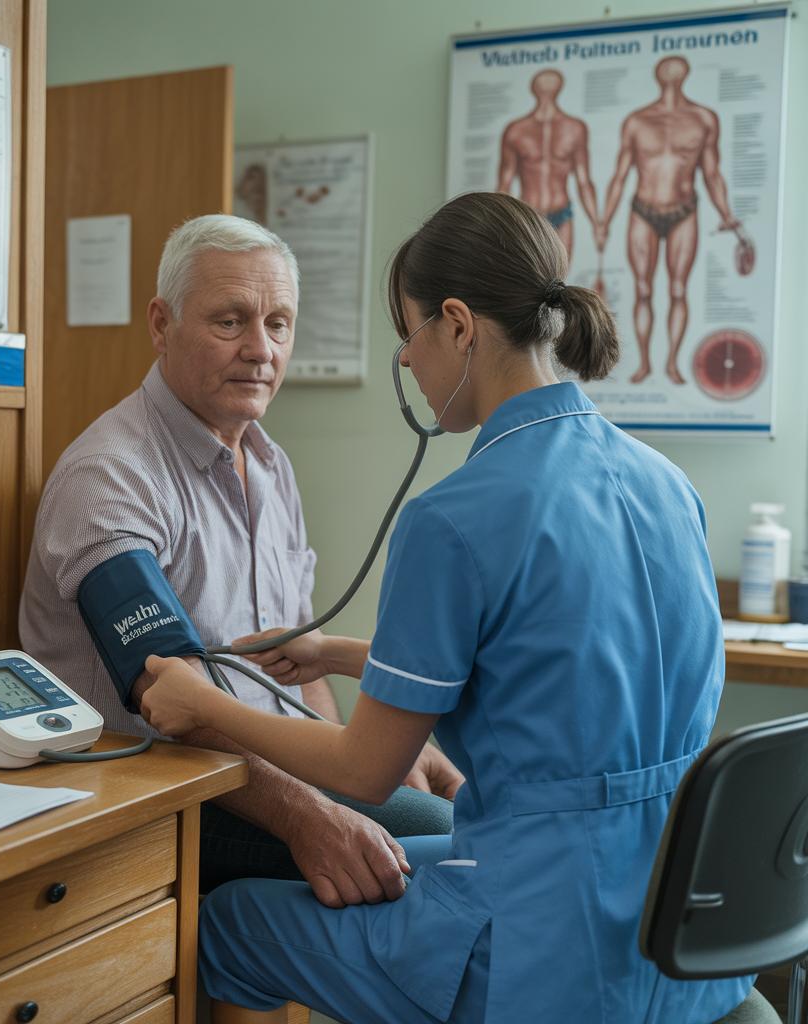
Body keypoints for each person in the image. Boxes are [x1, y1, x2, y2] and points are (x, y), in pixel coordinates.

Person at [139, 193, 754, 1023]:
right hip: (679, 925)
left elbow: (366, 770)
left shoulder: (452, 517)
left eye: (410, 336)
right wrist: (341, 653)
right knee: (403, 848)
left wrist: (202, 704)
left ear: (457, 325)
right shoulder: (664, 482)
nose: (411, 362)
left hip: (543, 951)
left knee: (225, 923)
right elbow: (556, 657)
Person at [19, 214, 461, 905]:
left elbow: (298, 661)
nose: (261, 350)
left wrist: (360, 764)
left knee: (459, 815)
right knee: (438, 841)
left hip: (266, 768)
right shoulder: (110, 477)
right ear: (161, 325)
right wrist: (312, 816)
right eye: (231, 322)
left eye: (279, 324)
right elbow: (175, 699)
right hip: (162, 785)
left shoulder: (268, 463)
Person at [600, 56, 740, 385]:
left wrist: (726, 213)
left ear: (686, 74)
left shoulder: (703, 118)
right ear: (657, 76)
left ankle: (672, 363)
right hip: (642, 211)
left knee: (678, 289)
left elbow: (712, 172)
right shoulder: (637, 121)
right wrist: (603, 220)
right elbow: (619, 176)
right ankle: (646, 364)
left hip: (684, 210)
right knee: (643, 288)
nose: (671, 76)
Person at [497, 69, 599, 262]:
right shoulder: (515, 130)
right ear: (533, 87)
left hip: (562, 213)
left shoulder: (575, 128)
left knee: (559, 283)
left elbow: (584, 181)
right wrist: (499, 226)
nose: (547, 83)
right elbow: (504, 183)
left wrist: (597, 224)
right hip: (528, 216)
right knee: (527, 280)